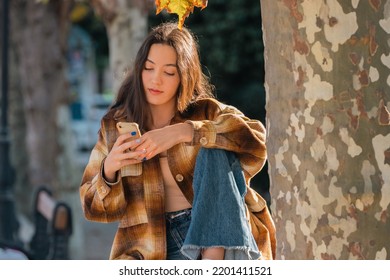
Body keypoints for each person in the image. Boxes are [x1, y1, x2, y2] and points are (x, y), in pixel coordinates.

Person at [79, 22, 275, 260]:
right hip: (149, 247)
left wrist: (185, 132)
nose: (155, 80)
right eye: (148, 68)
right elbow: (93, 209)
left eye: (169, 72)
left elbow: (257, 140)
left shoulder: (206, 112)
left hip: (218, 238)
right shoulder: (115, 125)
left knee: (214, 146)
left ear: (184, 75)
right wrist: (109, 170)